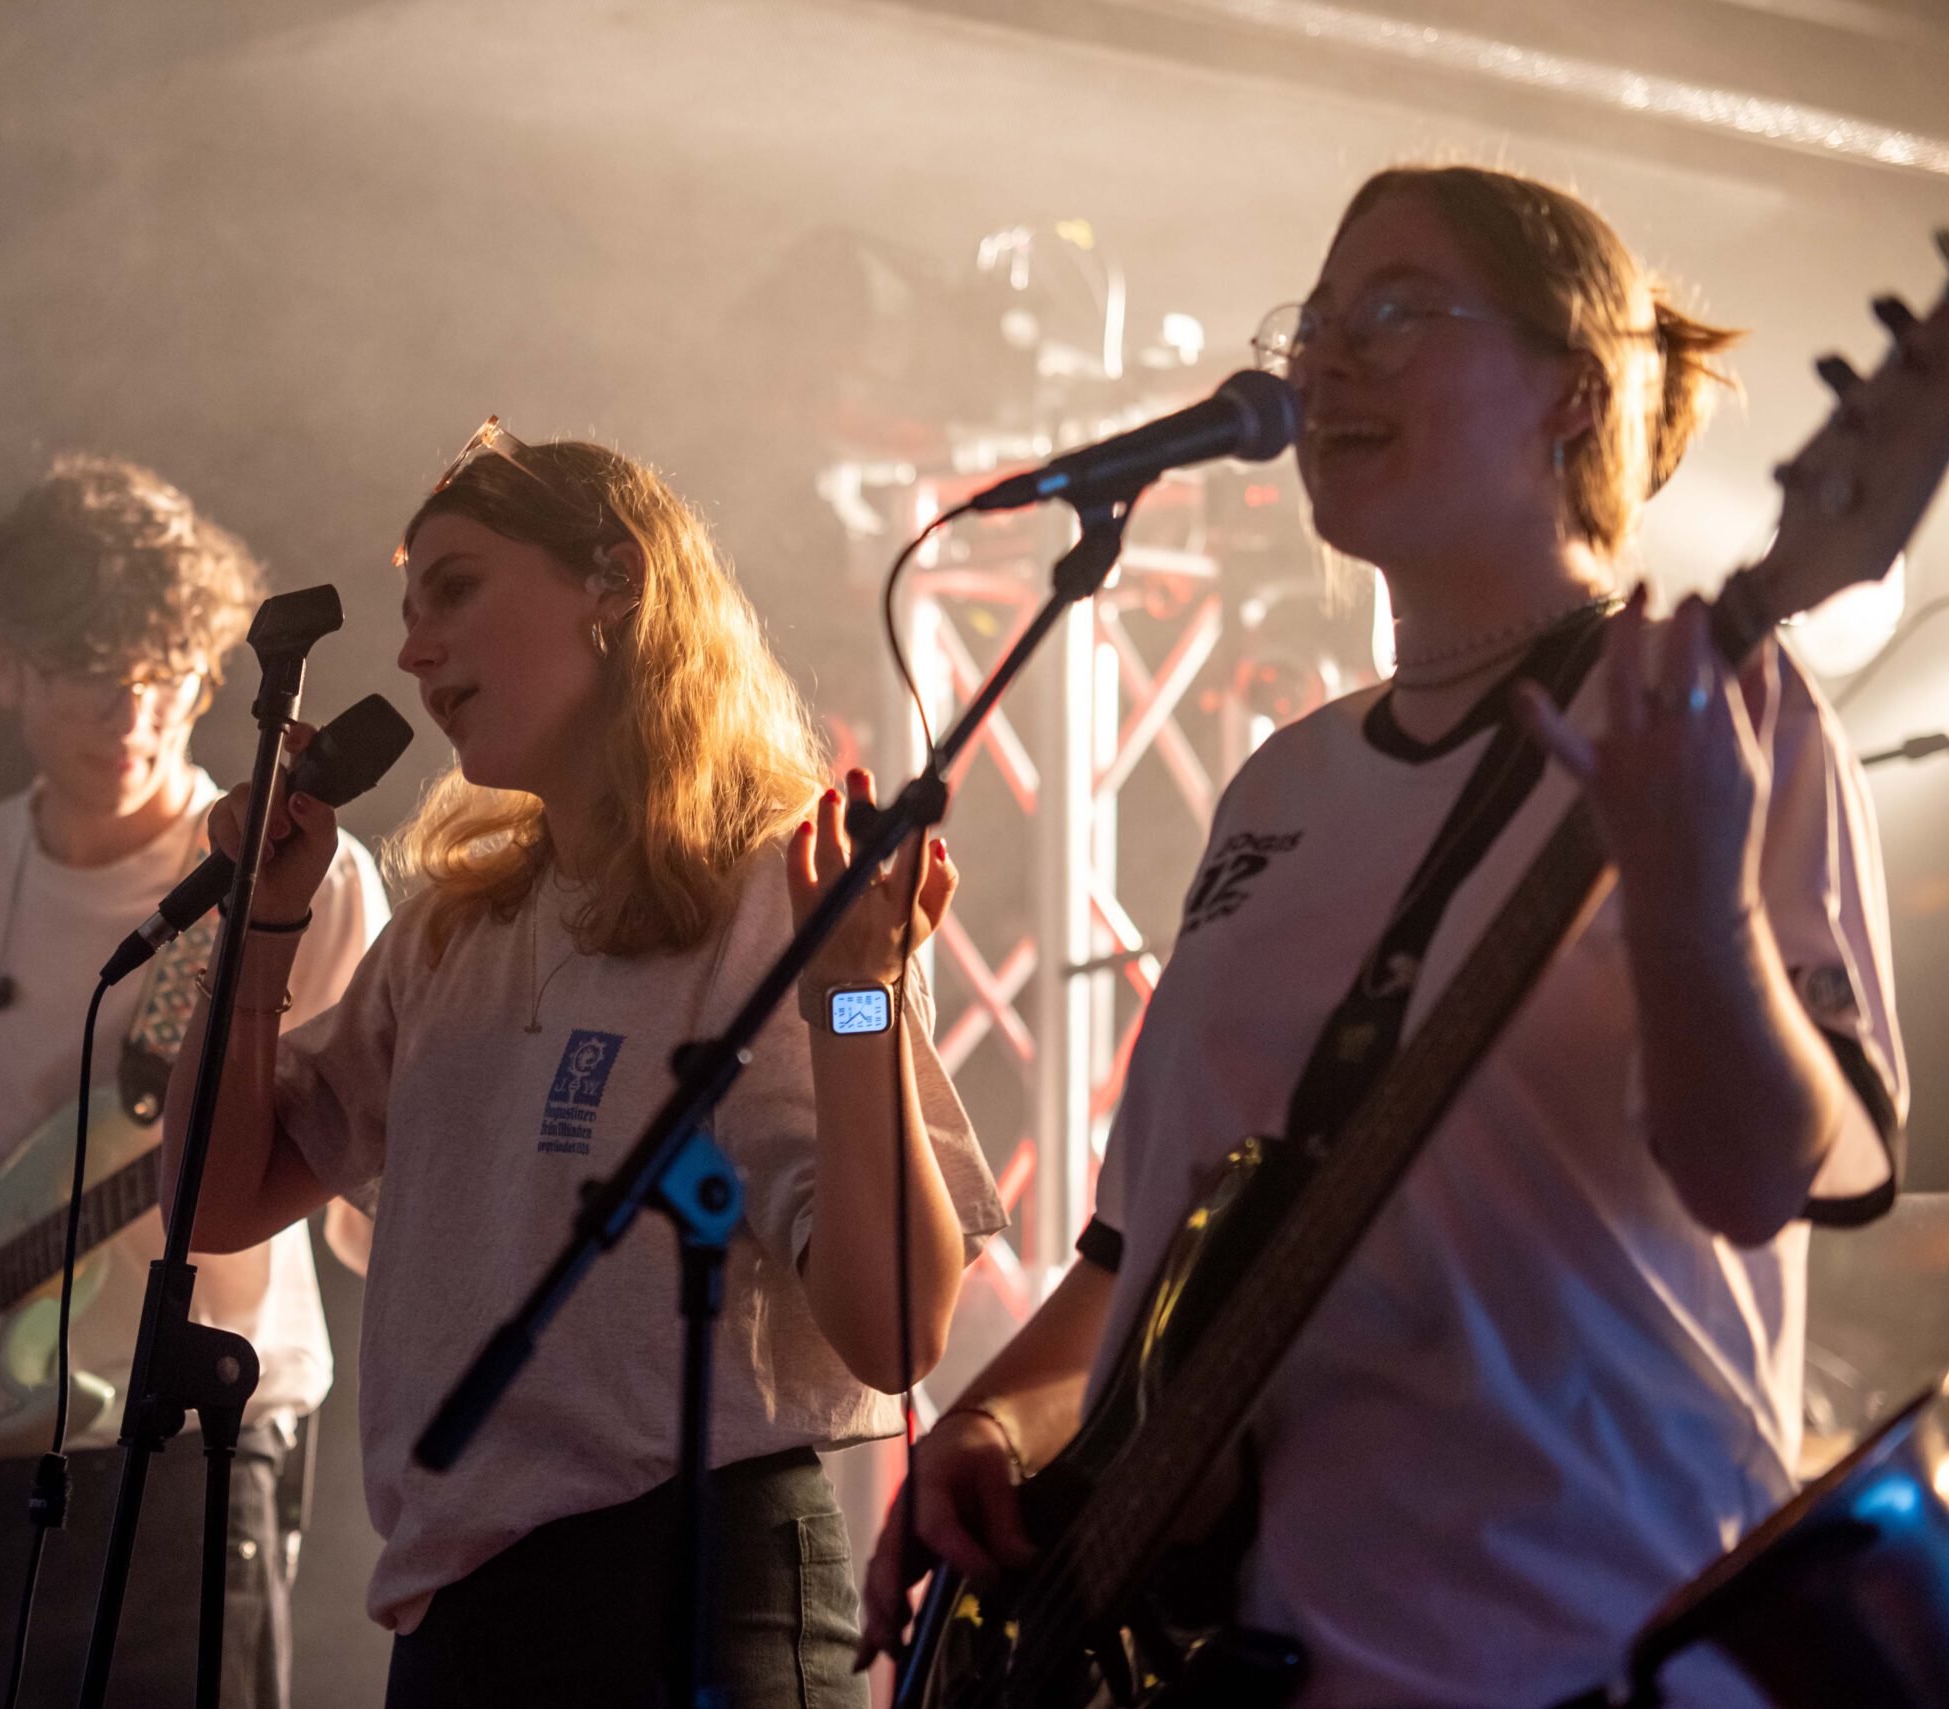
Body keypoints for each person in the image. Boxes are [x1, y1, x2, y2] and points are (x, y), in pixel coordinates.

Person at [863, 165, 1946, 1705]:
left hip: (1582, 1644)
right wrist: (999, 1416)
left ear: (1578, 393)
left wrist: (1692, 895)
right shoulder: (1278, 787)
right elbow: (1152, 1244)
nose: (1326, 360)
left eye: (1396, 313)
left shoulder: (1727, 713)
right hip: (1266, 1656)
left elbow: (1771, 1173)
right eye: (1315, 324)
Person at [160, 419, 1008, 1706]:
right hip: (455, 1619)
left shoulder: (776, 888)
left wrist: (860, 1002)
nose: (411, 648)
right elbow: (215, 1205)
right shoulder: (456, 925)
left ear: (614, 583)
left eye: (455, 587)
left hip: (694, 1592)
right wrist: (261, 929)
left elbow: (893, 1327)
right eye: (406, 609)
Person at [0, 455, 385, 1709]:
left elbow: (380, 1193)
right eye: (91, 672)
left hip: (197, 1440)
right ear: (6, 665)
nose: (133, 712)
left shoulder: (299, 875)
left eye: (165, 672)